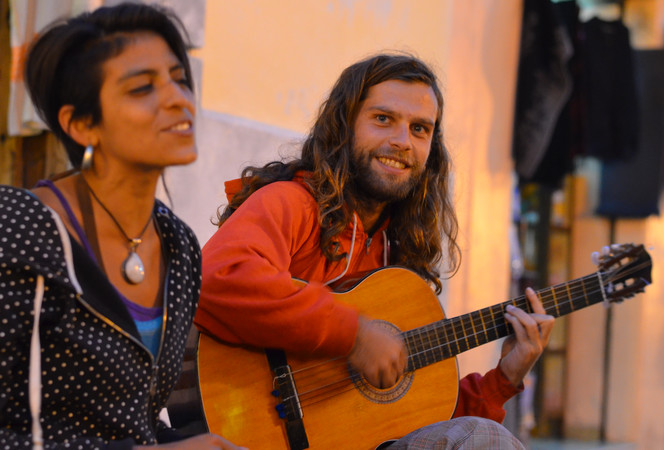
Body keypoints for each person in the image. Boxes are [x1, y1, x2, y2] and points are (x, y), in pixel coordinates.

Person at [0, 3, 242, 449]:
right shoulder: (18, 235)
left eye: (178, 77)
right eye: (141, 89)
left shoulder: (178, 245)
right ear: (80, 124)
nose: (178, 98)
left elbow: (129, 422)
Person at [194, 53, 555, 448]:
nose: (402, 142)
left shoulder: (398, 254)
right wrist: (353, 334)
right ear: (344, 124)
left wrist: (504, 378)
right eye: (383, 119)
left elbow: (426, 422)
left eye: (420, 129)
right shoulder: (291, 203)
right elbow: (216, 277)